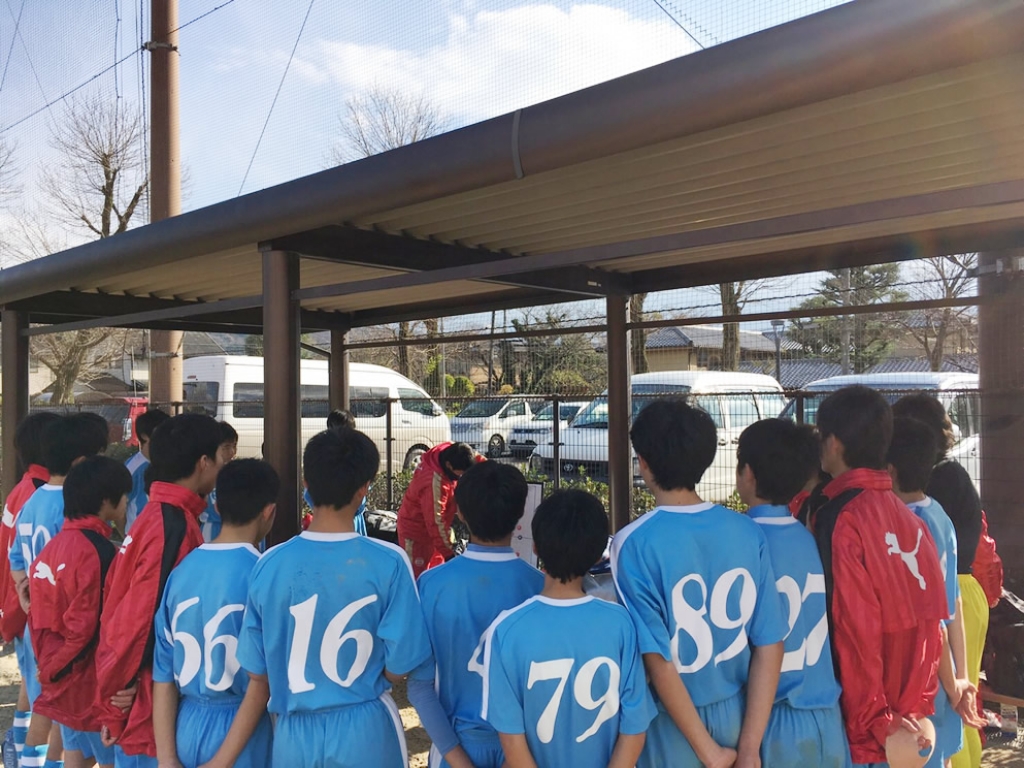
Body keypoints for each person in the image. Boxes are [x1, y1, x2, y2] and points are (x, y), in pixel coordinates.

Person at [236, 428, 433, 768]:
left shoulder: (269, 564)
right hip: (365, 726)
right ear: (364, 489)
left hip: (293, 735)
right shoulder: (389, 561)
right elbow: (402, 661)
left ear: (306, 485)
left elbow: (257, 668)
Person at [611, 399, 787, 768]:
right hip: (739, 715)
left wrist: (708, 751)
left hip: (671, 725)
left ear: (643, 462)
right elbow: (770, 643)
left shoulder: (633, 542)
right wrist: (750, 748)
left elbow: (658, 660)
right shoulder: (746, 530)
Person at [805, 386, 949, 767]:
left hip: (867, 724)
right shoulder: (913, 521)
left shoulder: (840, 516)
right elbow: (933, 623)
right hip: (908, 719)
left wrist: (875, 720)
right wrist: (915, 706)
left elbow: (854, 628)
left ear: (833, 443)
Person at [482, 489, 655, 767]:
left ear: (536, 547)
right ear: (597, 554)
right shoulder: (621, 623)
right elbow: (634, 729)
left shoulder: (505, 630)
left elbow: (512, 741)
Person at [94, 413, 224, 768]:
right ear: (203, 462)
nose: (223, 465)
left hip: (143, 696)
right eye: (221, 457)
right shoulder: (171, 524)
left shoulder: (157, 516)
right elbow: (138, 619)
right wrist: (120, 694)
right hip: (147, 703)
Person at [408, 461, 544, 768]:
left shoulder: (431, 585)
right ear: (520, 514)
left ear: (460, 513)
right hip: (525, 751)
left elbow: (419, 688)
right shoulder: (540, 587)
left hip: (454, 747)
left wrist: (457, 760)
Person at [735, 419, 851, 767]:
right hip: (828, 718)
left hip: (773, 721)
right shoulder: (809, 535)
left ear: (748, 473)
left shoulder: (743, 541)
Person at [153, 459, 278, 768]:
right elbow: (261, 682)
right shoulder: (262, 574)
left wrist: (167, 759)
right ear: (268, 511)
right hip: (244, 731)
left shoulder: (181, 573)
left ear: (217, 507)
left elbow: (163, 676)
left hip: (185, 726)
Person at [891, 395, 989, 768]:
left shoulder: (913, 518)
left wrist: (954, 681)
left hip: (946, 619)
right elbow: (950, 608)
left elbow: (935, 619)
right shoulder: (938, 510)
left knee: (954, 707)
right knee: (962, 706)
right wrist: (959, 678)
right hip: (960, 602)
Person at [11, 413, 107, 768]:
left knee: (50, 714)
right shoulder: (68, 506)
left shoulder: (32, 501)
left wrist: (27, 596)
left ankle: (28, 760)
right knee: (60, 719)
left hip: (37, 625)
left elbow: (15, 558)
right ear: (82, 463)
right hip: (63, 631)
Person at [27, 456, 131, 768]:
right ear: (106, 501)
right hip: (90, 686)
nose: (127, 502)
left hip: (61, 681)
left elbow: (38, 619)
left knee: (75, 758)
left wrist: (48, 670)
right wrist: (53, 670)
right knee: (109, 761)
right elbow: (85, 630)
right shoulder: (99, 552)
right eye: (125, 495)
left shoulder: (52, 548)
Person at [0, 412, 61, 766]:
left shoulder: (23, 490)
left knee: (32, 692)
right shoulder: (42, 494)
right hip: (35, 613)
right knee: (47, 708)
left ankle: (18, 751)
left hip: (22, 609)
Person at [397, 441, 480, 577]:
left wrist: (491, 467)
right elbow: (436, 522)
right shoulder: (433, 484)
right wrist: (449, 554)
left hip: (435, 535)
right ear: (449, 465)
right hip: (416, 535)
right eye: (459, 475)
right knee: (417, 578)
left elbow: (472, 455)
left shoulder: (447, 451)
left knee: (437, 572)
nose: (460, 478)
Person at [124, 410, 171, 534]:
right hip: (139, 536)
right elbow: (118, 509)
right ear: (144, 435)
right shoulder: (132, 468)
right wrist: (129, 537)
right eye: (161, 430)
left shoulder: (170, 462)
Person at [199, 421, 239, 542]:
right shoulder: (205, 474)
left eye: (234, 446)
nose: (232, 451)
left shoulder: (237, 472)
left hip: (233, 529)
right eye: (226, 447)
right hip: (210, 530)